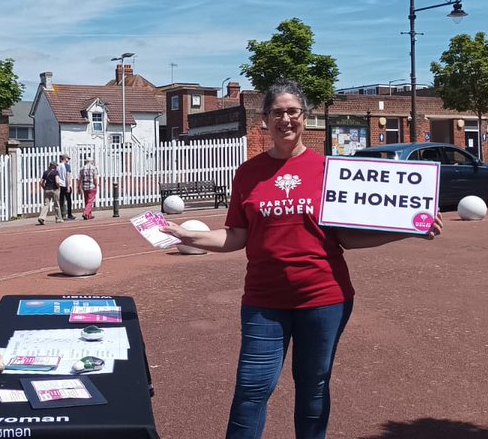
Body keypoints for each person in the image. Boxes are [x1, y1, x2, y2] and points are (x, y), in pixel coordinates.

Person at [161, 80, 442, 439]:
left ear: (304, 118)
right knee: (251, 389)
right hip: (264, 301)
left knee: (313, 387)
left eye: (292, 111)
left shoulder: (331, 171)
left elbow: (347, 238)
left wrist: (408, 228)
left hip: (323, 298)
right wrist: (188, 235)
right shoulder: (248, 173)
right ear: (265, 120)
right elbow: (236, 235)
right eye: (277, 112)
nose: (285, 119)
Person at [58, 154, 76, 220]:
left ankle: (62, 214)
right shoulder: (67, 166)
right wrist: (68, 186)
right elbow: (67, 176)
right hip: (66, 184)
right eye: (67, 158)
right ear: (65, 158)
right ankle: (69, 214)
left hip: (60, 185)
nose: (68, 160)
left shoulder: (58, 166)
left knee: (61, 200)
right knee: (68, 200)